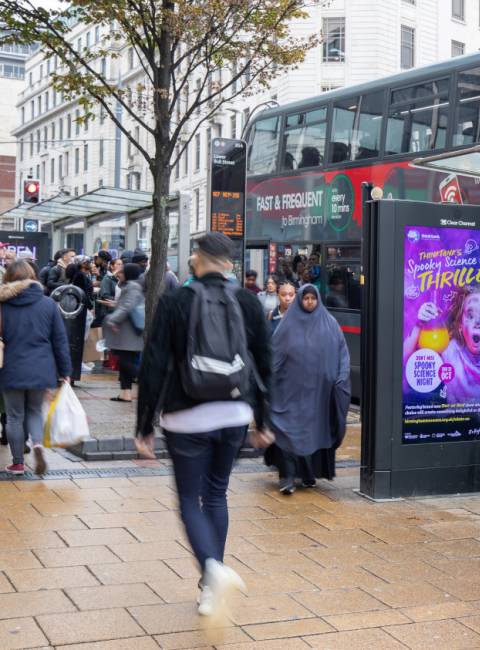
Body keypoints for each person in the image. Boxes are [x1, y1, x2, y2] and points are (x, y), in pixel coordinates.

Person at [135, 232, 273, 621]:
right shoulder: (247, 301)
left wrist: (145, 423)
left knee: (188, 500)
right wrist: (263, 420)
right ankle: (211, 587)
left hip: (185, 417)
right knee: (216, 495)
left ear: (196, 260)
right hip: (234, 414)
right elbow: (265, 361)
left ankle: (212, 571)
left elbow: (155, 364)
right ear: (228, 263)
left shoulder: (176, 301)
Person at [265, 285, 350, 495]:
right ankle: (287, 476)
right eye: (306, 298)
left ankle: (309, 473)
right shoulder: (287, 325)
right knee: (288, 430)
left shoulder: (329, 324)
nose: (309, 302)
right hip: (289, 392)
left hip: (318, 394)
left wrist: (341, 377)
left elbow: (342, 353)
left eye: (313, 298)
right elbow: (274, 355)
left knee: (314, 432)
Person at [0, 261, 71, 476]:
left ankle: (18, 463)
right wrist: (65, 371)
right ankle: (38, 444)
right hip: (41, 367)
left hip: (11, 367)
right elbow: (60, 341)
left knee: (14, 416)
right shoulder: (48, 304)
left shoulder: (2, 306)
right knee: (34, 411)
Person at [103, 263, 144, 403]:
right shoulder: (131, 286)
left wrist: (113, 320)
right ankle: (125, 394)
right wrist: (115, 305)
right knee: (125, 362)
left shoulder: (132, 287)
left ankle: (149, 380)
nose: (118, 274)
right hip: (127, 331)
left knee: (125, 362)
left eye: (122, 271)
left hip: (128, 331)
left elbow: (128, 306)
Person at [65, 256, 94, 381]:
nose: (90, 264)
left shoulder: (79, 275)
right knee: (80, 337)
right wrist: (90, 304)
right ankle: (78, 363)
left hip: (79, 309)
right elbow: (81, 293)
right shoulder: (80, 276)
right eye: (88, 262)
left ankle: (78, 363)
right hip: (81, 310)